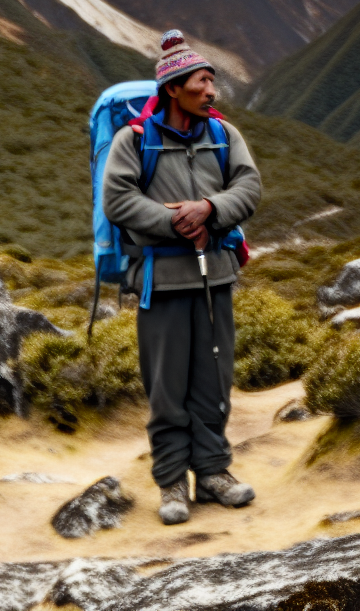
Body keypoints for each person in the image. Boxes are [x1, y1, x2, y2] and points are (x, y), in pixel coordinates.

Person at [103, 30, 262, 526]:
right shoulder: (134, 142)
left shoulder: (224, 135)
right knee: (167, 387)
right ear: (173, 89)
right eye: (201, 81)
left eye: (212, 81)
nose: (211, 91)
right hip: (161, 281)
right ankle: (172, 482)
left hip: (216, 278)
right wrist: (175, 221)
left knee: (214, 381)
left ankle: (214, 474)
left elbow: (250, 186)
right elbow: (118, 201)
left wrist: (209, 208)